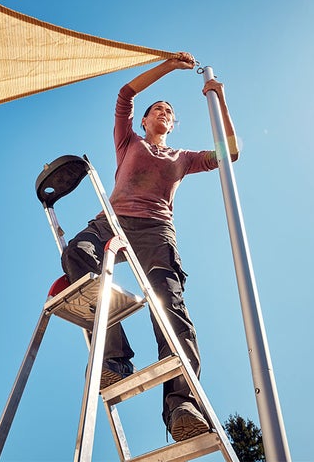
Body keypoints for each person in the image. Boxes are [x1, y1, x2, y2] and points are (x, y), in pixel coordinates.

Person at [60, 51, 240, 442]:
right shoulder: (128, 141)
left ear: (173, 125)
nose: (162, 112)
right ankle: (115, 358)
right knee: (77, 254)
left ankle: (182, 405)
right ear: (144, 120)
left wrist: (219, 96)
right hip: (113, 220)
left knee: (170, 304)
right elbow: (125, 93)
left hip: (157, 230)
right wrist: (167, 68)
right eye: (156, 108)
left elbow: (230, 152)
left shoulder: (183, 157)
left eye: (168, 111)